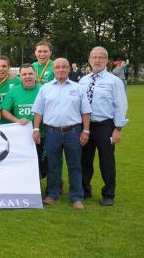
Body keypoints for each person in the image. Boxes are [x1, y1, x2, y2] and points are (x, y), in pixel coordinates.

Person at [32, 58, 91, 210]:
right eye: (57, 67)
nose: (61, 70)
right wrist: (36, 129)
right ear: (53, 69)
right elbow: (38, 111)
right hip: (52, 132)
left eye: (64, 67)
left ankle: (76, 197)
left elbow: (85, 111)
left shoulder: (78, 88)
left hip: (73, 132)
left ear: (69, 69)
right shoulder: (45, 88)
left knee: (75, 166)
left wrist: (86, 130)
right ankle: (52, 194)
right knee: (53, 165)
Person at [79, 47, 128, 206]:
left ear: (106, 61)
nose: (97, 60)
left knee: (107, 161)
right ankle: (84, 189)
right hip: (86, 126)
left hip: (105, 126)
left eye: (101, 57)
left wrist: (117, 129)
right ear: (89, 60)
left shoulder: (114, 81)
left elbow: (121, 105)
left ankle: (108, 193)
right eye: (94, 57)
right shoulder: (83, 80)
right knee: (85, 160)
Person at [1, 64, 45, 178]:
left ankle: (51, 187)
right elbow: (4, 111)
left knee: (44, 164)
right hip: (22, 137)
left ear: (35, 75)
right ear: (20, 76)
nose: (27, 77)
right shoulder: (13, 91)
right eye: (24, 74)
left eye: (30, 73)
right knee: (25, 165)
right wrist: (17, 120)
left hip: (42, 135)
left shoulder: (43, 89)